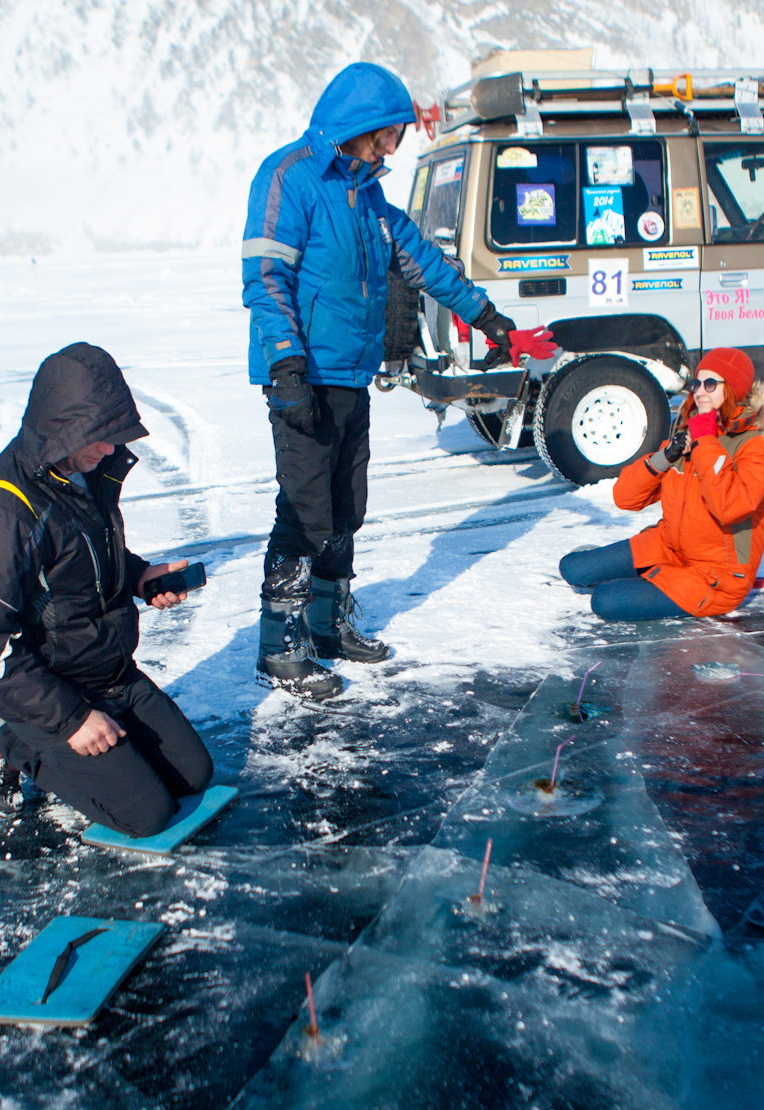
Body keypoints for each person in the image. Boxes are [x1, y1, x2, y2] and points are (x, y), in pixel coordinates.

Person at [242, 61, 521, 700]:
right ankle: (280, 645)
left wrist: (484, 315)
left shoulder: (369, 198)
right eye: (390, 133)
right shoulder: (291, 177)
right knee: (306, 510)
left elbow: (424, 263)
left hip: (350, 374)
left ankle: (327, 621)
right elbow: (265, 276)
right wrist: (285, 362)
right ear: (361, 126)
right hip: (302, 375)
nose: (395, 145)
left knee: (347, 507)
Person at [0, 343, 214, 839]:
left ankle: (92, 735)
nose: (110, 449)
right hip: (51, 694)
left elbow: (80, 561)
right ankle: (6, 738)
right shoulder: (1, 513)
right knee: (147, 815)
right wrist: (71, 719)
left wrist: (137, 576)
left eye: (114, 435)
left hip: (110, 671)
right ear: (63, 427)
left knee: (193, 777)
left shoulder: (79, 471)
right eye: (100, 436)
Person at [559, 348, 764, 620]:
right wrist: (664, 457)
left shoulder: (757, 444)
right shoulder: (689, 433)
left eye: (711, 384)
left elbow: (730, 507)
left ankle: (652, 581)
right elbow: (625, 498)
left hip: (715, 578)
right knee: (573, 569)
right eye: (696, 383)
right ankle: (646, 575)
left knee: (605, 601)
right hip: (669, 547)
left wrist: (706, 440)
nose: (700, 391)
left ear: (734, 388)